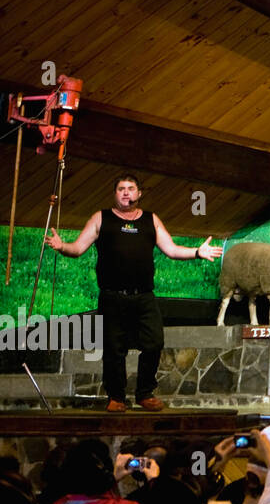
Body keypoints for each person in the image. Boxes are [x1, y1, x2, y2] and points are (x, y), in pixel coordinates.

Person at [45, 172, 219, 412]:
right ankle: (116, 397)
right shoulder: (101, 218)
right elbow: (77, 248)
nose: (126, 192)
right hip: (113, 296)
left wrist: (198, 252)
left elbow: (171, 249)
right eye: (121, 188)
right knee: (114, 349)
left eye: (130, 188)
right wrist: (61, 246)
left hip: (144, 297)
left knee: (154, 343)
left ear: (139, 193)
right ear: (115, 194)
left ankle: (144, 393)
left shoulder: (151, 219)